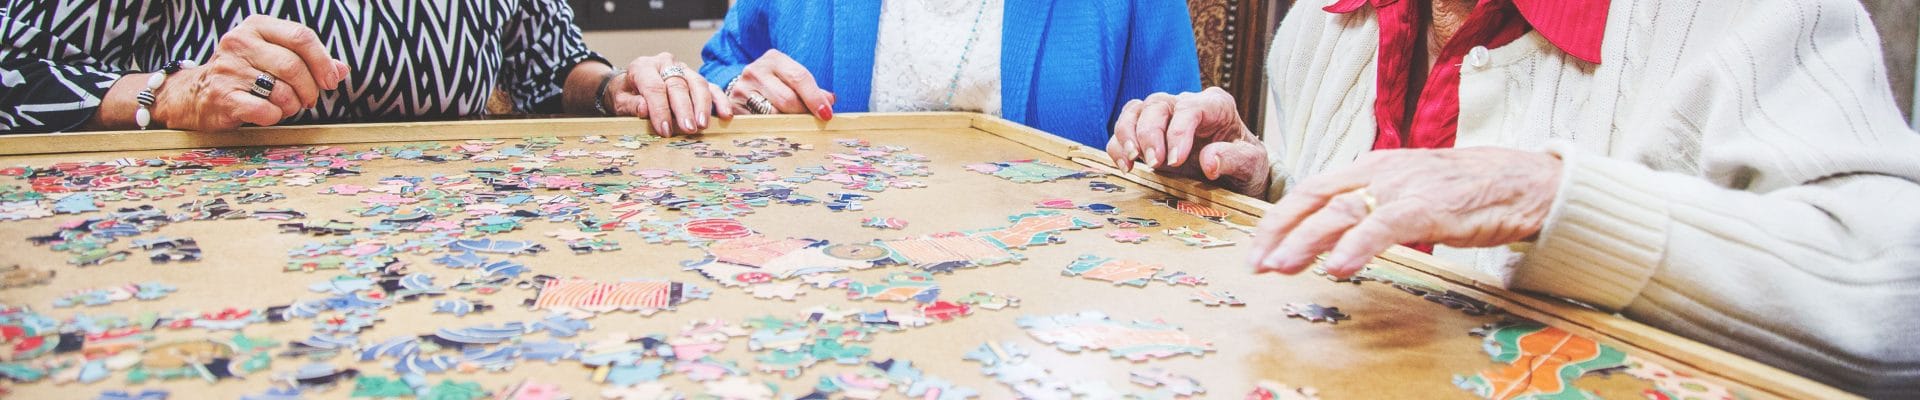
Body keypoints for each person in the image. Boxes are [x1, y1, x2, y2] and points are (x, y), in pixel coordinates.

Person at [1110, 0, 1920, 396]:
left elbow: (1901, 299)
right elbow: (1385, 248)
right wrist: (1260, 181)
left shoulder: (1749, 13)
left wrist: (1554, 200)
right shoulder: (1323, 22)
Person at [0, 1, 728, 136]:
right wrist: (171, 94)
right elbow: (15, 69)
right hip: (208, 244)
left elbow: (549, 61)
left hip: (458, 256)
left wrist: (609, 85)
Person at [696, 0, 1201, 146]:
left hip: (1058, 304)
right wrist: (744, 92)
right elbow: (720, 69)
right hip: (827, 284)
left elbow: (1175, 150)